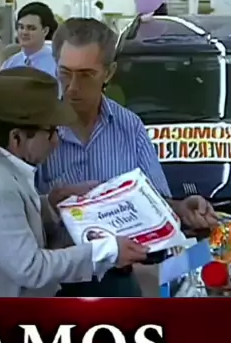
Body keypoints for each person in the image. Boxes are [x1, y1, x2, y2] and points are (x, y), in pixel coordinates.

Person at [37, 18, 218, 297]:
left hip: (126, 279)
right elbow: (17, 219)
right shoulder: (38, 132)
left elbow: (154, 201)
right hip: (59, 283)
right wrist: (51, 202)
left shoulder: (129, 127)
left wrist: (181, 208)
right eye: (65, 73)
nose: (72, 87)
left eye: (86, 75)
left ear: (108, 73)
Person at [0, 68, 147, 297]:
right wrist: (106, 251)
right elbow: (31, 268)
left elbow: (10, 220)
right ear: (16, 138)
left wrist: (52, 203)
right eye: (51, 132)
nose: (56, 141)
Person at [1, 2, 58, 77]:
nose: (24, 32)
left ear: (45, 31)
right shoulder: (11, 63)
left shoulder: (57, 64)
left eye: (31, 28)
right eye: (21, 27)